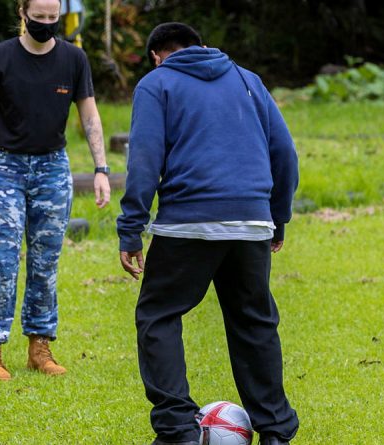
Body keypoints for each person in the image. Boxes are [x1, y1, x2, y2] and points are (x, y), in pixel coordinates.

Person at [116, 23, 300, 445]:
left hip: (187, 223)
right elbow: (284, 153)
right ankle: (274, 432)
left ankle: (179, 429)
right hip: (251, 222)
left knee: (159, 316)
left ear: (157, 55)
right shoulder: (247, 79)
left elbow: (144, 162)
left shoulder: (156, 83)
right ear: (202, 47)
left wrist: (130, 231)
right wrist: (277, 217)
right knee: (254, 323)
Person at [0, 0, 111, 381]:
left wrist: (101, 169)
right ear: (22, 13)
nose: (45, 24)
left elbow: (88, 114)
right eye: (38, 17)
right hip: (4, 167)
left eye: (52, 18)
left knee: (45, 261)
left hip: (52, 168)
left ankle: (39, 347)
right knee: (2, 258)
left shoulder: (74, 60)